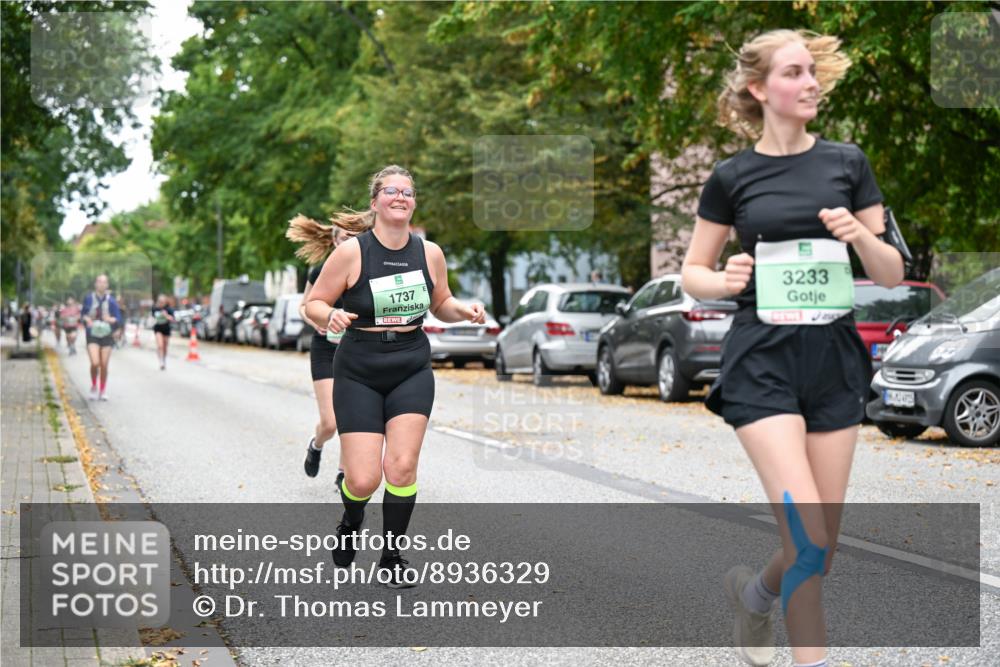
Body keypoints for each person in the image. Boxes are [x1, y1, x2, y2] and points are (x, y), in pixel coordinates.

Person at [680, 30, 904, 667]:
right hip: (761, 363)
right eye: (795, 73)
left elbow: (889, 272)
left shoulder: (847, 162)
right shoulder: (732, 176)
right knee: (807, 539)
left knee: (821, 546)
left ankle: (753, 596)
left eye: (813, 73)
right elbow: (692, 270)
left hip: (833, 360)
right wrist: (723, 279)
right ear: (759, 89)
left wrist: (860, 232)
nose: (811, 83)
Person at [305, 165, 485, 587]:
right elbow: (313, 302)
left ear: (413, 202)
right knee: (363, 479)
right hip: (359, 368)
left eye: (407, 191)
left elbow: (441, 302)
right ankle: (351, 522)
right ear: (375, 203)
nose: (400, 197)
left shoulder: (429, 252)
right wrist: (330, 314)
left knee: (401, 467)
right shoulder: (353, 253)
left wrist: (464, 310)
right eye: (391, 191)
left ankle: (392, 556)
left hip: (410, 365)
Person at [286, 215, 354, 482]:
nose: (350, 242)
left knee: (352, 417)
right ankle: (316, 445)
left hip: (354, 348)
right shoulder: (320, 271)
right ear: (335, 241)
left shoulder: (365, 271)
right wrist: (319, 320)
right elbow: (304, 306)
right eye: (346, 238)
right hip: (325, 348)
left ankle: (342, 473)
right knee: (331, 422)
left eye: (355, 238)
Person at [82, 275, 123, 401]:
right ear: (95, 284)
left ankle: (102, 389)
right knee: (95, 362)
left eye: (104, 282)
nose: (101, 284)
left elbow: (118, 318)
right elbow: (83, 314)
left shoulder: (112, 301)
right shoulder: (89, 298)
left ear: (107, 285)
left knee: (104, 364)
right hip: (93, 333)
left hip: (107, 334)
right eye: (99, 281)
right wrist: (87, 319)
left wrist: (110, 319)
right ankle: (94, 386)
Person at [151, 294, 175, 370]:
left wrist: (166, 315)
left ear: (165, 302)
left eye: (162, 302)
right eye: (159, 301)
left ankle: (164, 359)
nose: (161, 303)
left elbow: (173, 319)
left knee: (165, 346)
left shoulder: (169, 309)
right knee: (160, 345)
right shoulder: (155, 308)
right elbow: (153, 318)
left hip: (166, 329)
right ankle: (161, 361)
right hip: (158, 328)